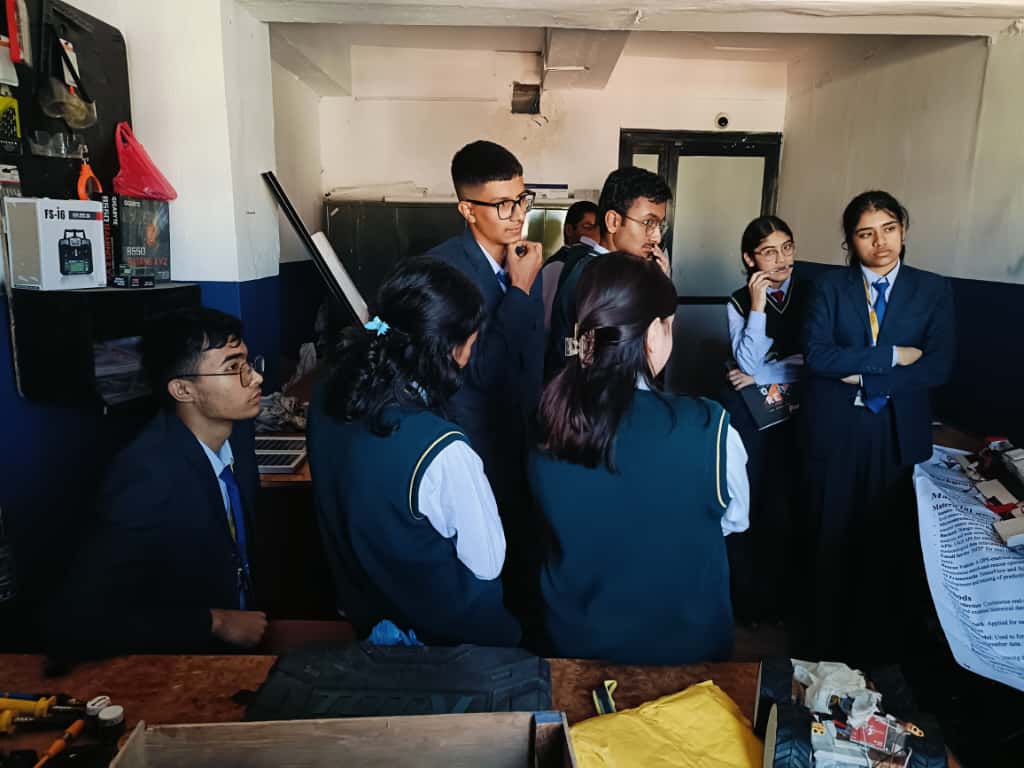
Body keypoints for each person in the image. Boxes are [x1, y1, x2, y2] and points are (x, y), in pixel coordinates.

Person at [529, 252, 749, 664]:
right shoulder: (709, 426)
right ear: (652, 335)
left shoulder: (549, 420)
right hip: (686, 654)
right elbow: (734, 520)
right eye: (669, 324)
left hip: (573, 648)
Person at [307, 257, 521, 647]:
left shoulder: (324, 400)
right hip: (449, 645)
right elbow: (487, 563)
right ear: (453, 351)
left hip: (367, 625)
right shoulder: (442, 449)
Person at [44, 307, 267, 661]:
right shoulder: (147, 477)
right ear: (183, 389)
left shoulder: (236, 434)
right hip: (183, 659)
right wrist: (215, 622)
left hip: (247, 636)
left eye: (249, 363)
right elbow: (82, 617)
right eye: (232, 368)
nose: (254, 378)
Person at [802, 190, 954, 662]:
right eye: (866, 233)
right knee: (830, 536)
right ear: (851, 241)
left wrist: (864, 375)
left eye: (889, 229)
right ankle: (823, 646)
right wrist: (892, 356)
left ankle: (879, 652)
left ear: (903, 231)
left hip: (896, 429)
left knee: (888, 539)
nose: (880, 242)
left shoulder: (932, 289)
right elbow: (817, 356)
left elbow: (937, 366)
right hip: (838, 429)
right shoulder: (829, 287)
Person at [425, 140, 544, 620]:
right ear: (466, 209)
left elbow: (529, 353)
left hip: (525, 434)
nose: (517, 214)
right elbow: (478, 370)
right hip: (476, 439)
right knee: (485, 561)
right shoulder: (444, 271)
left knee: (525, 552)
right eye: (502, 204)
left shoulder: (523, 256)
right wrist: (520, 290)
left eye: (522, 199)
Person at [721, 215, 812, 626]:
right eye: (769, 252)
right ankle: (749, 600)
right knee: (752, 498)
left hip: (803, 412)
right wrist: (757, 308)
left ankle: (786, 599)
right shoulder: (740, 301)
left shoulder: (814, 293)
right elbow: (746, 361)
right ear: (749, 258)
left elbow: (818, 359)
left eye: (787, 248)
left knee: (789, 503)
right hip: (758, 416)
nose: (781, 260)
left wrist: (763, 374)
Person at [546, 166, 672, 378]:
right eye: (648, 223)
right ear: (613, 221)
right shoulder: (593, 276)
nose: (656, 237)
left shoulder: (615, 270)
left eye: (659, 225)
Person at [541, 200, 598, 331]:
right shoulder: (558, 265)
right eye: (588, 227)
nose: (595, 234)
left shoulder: (591, 262)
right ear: (569, 230)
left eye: (597, 227)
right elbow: (547, 320)